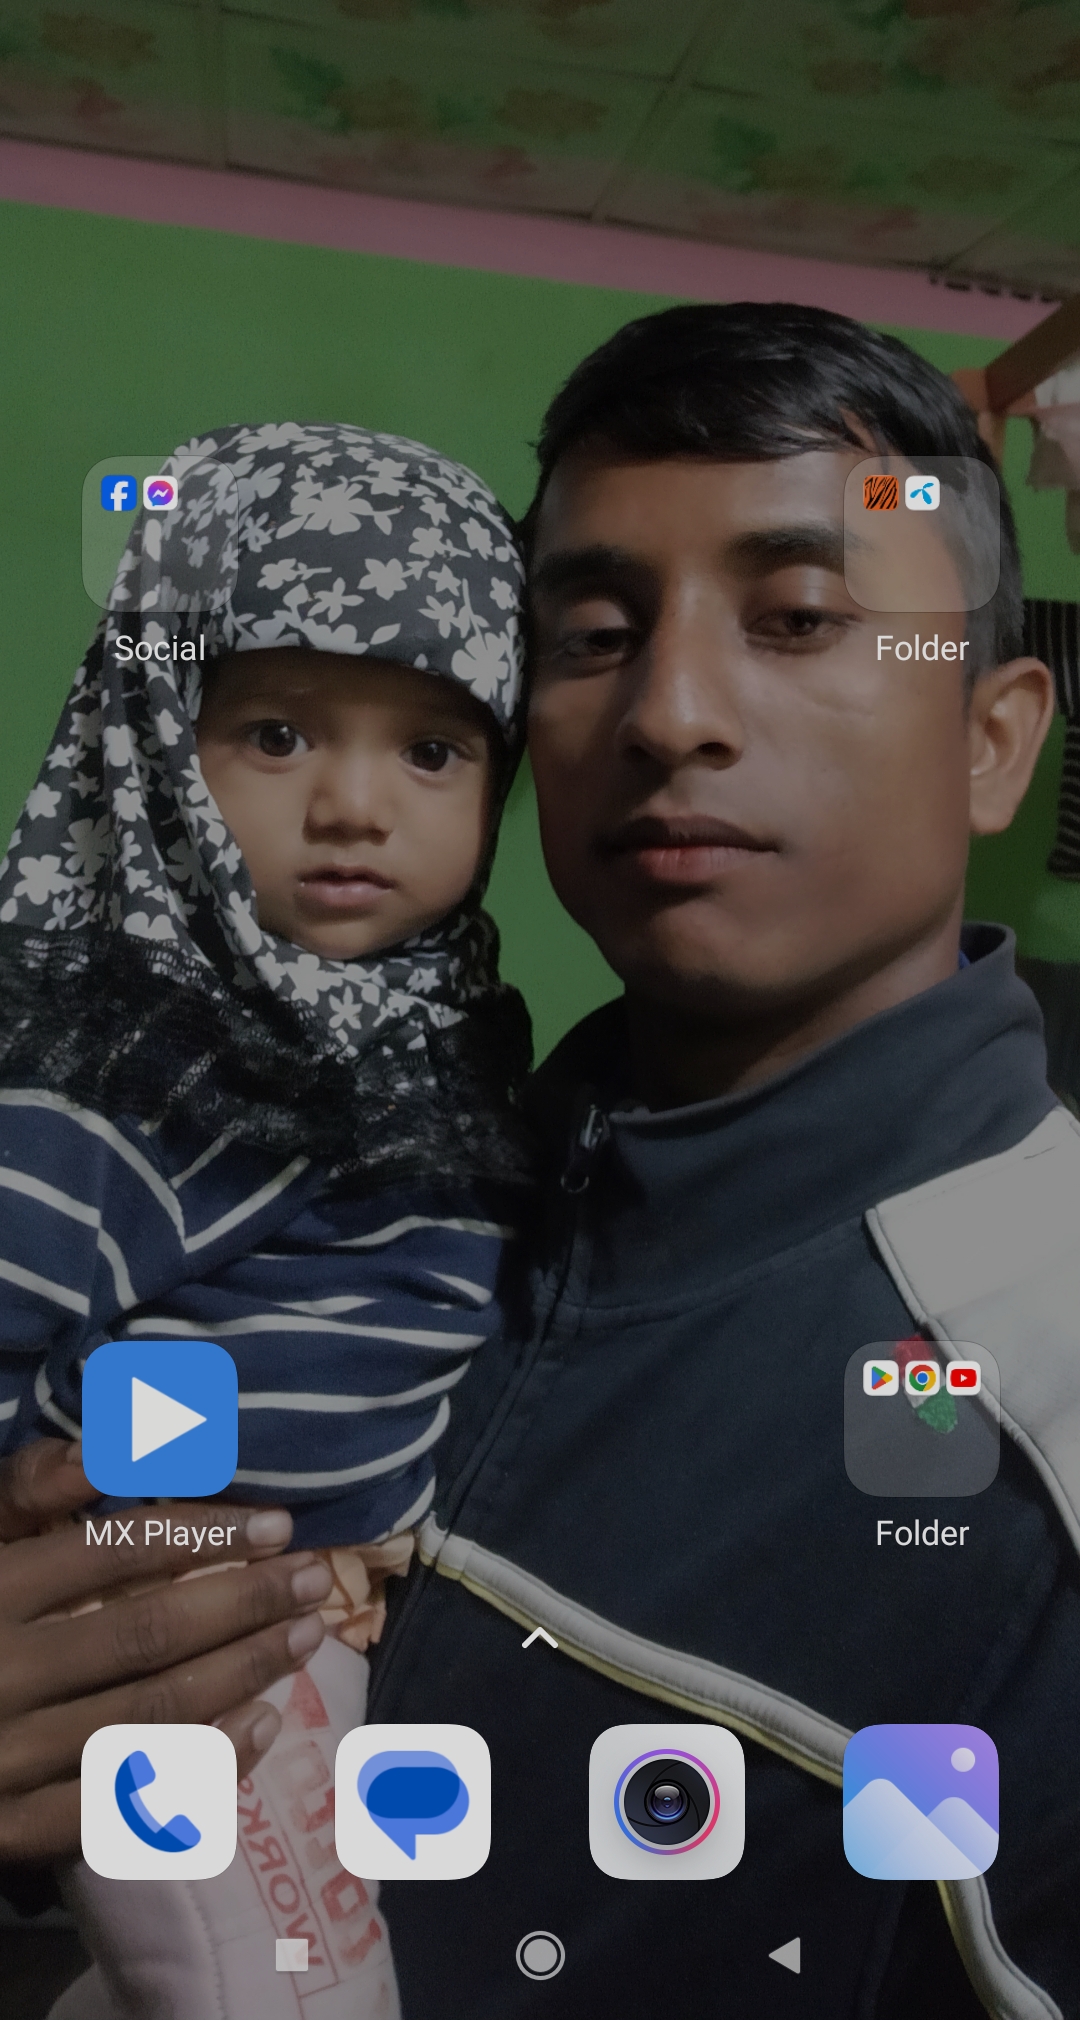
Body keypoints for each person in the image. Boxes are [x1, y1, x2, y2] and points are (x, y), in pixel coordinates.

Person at [366, 305, 1079, 2019]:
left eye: (801, 617)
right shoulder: (390, 1192)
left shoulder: (1044, 1384)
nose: (669, 712)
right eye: (594, 635)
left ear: (991, 741)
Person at [0, 423, 533, 2016]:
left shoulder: (426, 1032)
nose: (356, 805)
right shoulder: (140, 1060)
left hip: (324, 1612)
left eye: (433, 751)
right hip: (162, 1631)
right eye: (281, 733)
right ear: (164, 746)